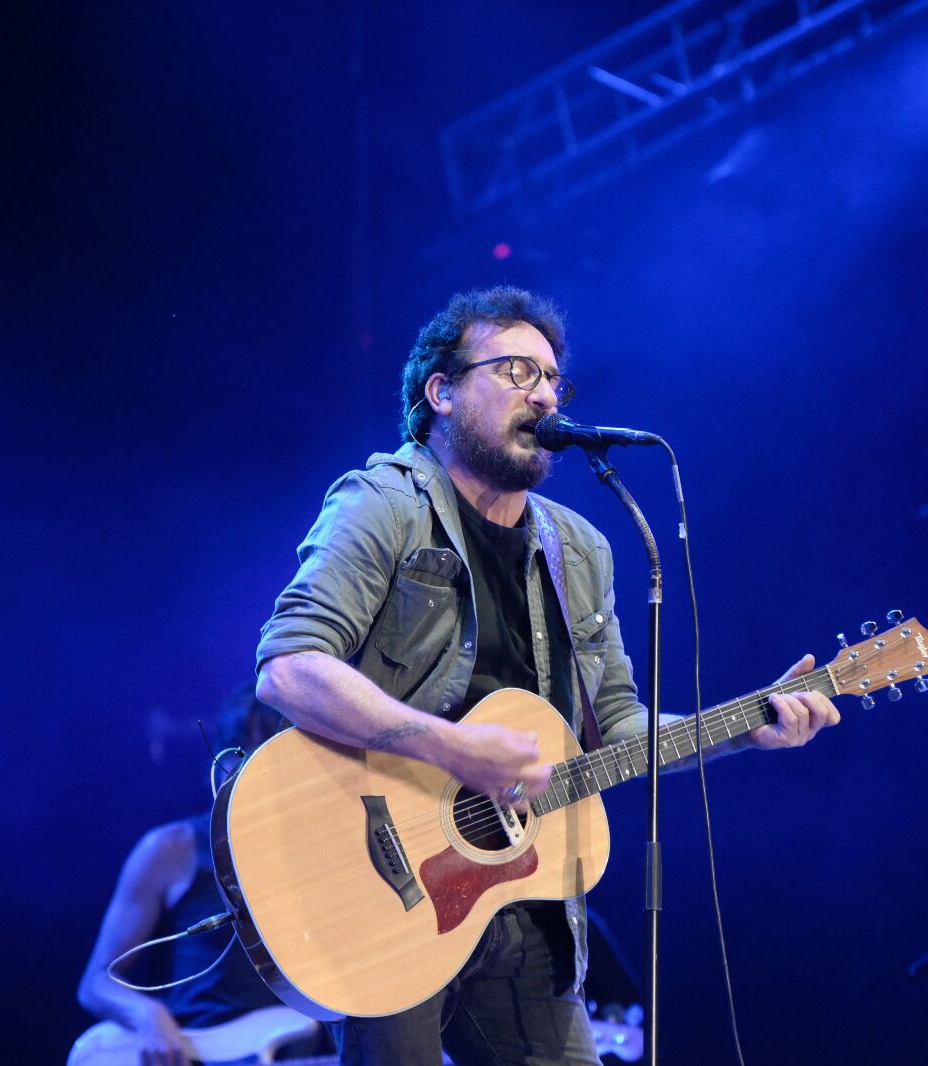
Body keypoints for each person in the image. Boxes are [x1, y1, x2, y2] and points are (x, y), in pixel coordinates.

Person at [253, 286, 839, 1065]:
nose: (545, 394)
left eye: (554, 379)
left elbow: (621, 729)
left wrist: (746, 729)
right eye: (517, 371)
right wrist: (455, 752)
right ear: (444, 391)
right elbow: (290, 668)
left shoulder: (581, 549)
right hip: (381, 889)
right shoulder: (382, 504)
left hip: (527, 902)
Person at [76, 686, 328, 1066]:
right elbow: (97, 982)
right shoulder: (172, 848)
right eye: (250, 755)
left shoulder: (322, 855)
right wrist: (149, 1016)